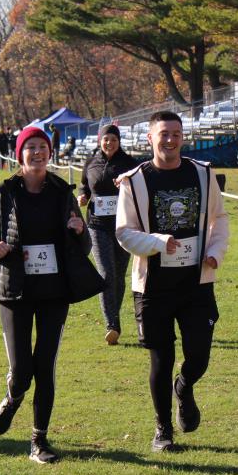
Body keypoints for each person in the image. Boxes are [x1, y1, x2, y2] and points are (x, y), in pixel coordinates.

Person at [116, 111, 230, 452]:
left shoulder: (203, 174)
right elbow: (124, 232)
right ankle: (163, 430)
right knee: (160, 360)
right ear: (150, 138)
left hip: (196, 284)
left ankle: (185, 385)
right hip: (153, 287)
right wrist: (156, 242)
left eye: (176, 134)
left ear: (183, 137)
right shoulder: (135, 181)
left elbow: (219, 217)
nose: (170, 140)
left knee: (199, 356)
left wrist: (215, 252)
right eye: (163, 134)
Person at [0, 125, 92, 464]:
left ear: (50, 153)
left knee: (45, 366)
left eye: (43, 147)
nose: (38, 153)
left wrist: (79, 230)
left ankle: (39, 441)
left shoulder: (62, 192)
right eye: (31, 148)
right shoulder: (3, 192)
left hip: (54, 292)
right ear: (20, 155)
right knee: (22, 371)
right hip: (15, 290)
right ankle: (13, 397)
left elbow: (84, 245)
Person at [79, 125, 139, 345]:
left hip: (124, 226)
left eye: (113, 139)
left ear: (119, 141)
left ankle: (114, 318)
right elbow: (84, 186)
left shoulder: (130, 164)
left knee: (118, 276)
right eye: (106, 139)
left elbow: (139, 189)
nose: (109, 143)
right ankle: (112, 324)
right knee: (106, 274)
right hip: (97, 225)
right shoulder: (91, 162)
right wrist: (82, 196)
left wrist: (126, 186)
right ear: (100, 141)